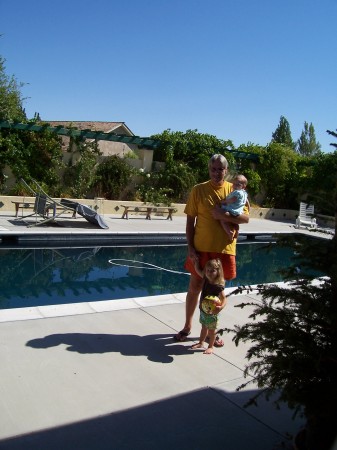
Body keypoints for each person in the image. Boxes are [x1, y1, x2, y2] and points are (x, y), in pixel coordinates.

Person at [174, 154, 249, 345]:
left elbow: (245, 218)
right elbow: (190, 222)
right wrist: (190, 247)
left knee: (217, 293)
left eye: (220, 169)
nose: (216, 173)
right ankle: (187, 326)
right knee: (195, 288)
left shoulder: (235, 190)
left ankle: (210, 333)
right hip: (201, 249)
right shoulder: (198, 190)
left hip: (223, 250)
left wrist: (221, 214)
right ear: (209, 169)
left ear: (226, 170)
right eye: (213, 169)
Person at [190, 258, 226, 354]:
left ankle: (210, 347)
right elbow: (198, 271)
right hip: (203, 310)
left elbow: (224, 299)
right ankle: (201, 343)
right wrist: (196, 263)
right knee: (203, 328)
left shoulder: (218, 286)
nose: (209, 273)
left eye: (212, 271)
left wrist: (221, 307)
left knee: (212, 331)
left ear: (218, 271)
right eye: (208, 270)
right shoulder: (206, 278)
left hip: (212, 313)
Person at [220, 174, 250, 241]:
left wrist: (224, 201)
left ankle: (229, 232)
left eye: (238, 184)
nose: (235, 186)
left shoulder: (237, 192)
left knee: (223, 220)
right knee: (235, 223)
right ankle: (236, 232)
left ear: (243, 186)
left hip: (232, 210)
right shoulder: (244, 193)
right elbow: (247, 203)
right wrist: (249, 209)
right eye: (234, 184)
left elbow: (232, 200)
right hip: (239, 212)